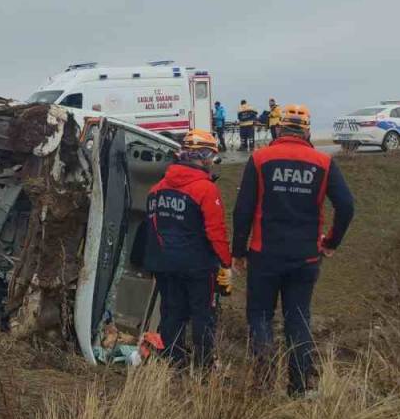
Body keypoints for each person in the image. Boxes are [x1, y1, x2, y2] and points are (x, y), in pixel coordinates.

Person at [232, 104, 355, 396]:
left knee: (260, 315)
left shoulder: (260, 159)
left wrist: (238, 252)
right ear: (307, 132)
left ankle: (263, 382)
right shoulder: (323, 162)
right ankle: (300, 388)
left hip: (264, 254)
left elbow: (243, 210)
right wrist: (331, 243)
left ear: (278, 129)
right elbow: (347, 206)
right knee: (298, 318)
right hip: (305, 257)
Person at [142, 129, 231, 368]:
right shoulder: (206, 189)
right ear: (204, 157)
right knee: (203, 315)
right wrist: (226, 263)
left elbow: (150, 228)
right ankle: (203, 367)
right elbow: (216, 232)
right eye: (211, 156)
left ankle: (174, 364)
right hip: (198, 266)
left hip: (164, 265)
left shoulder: (156, 189)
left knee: (172, 314)